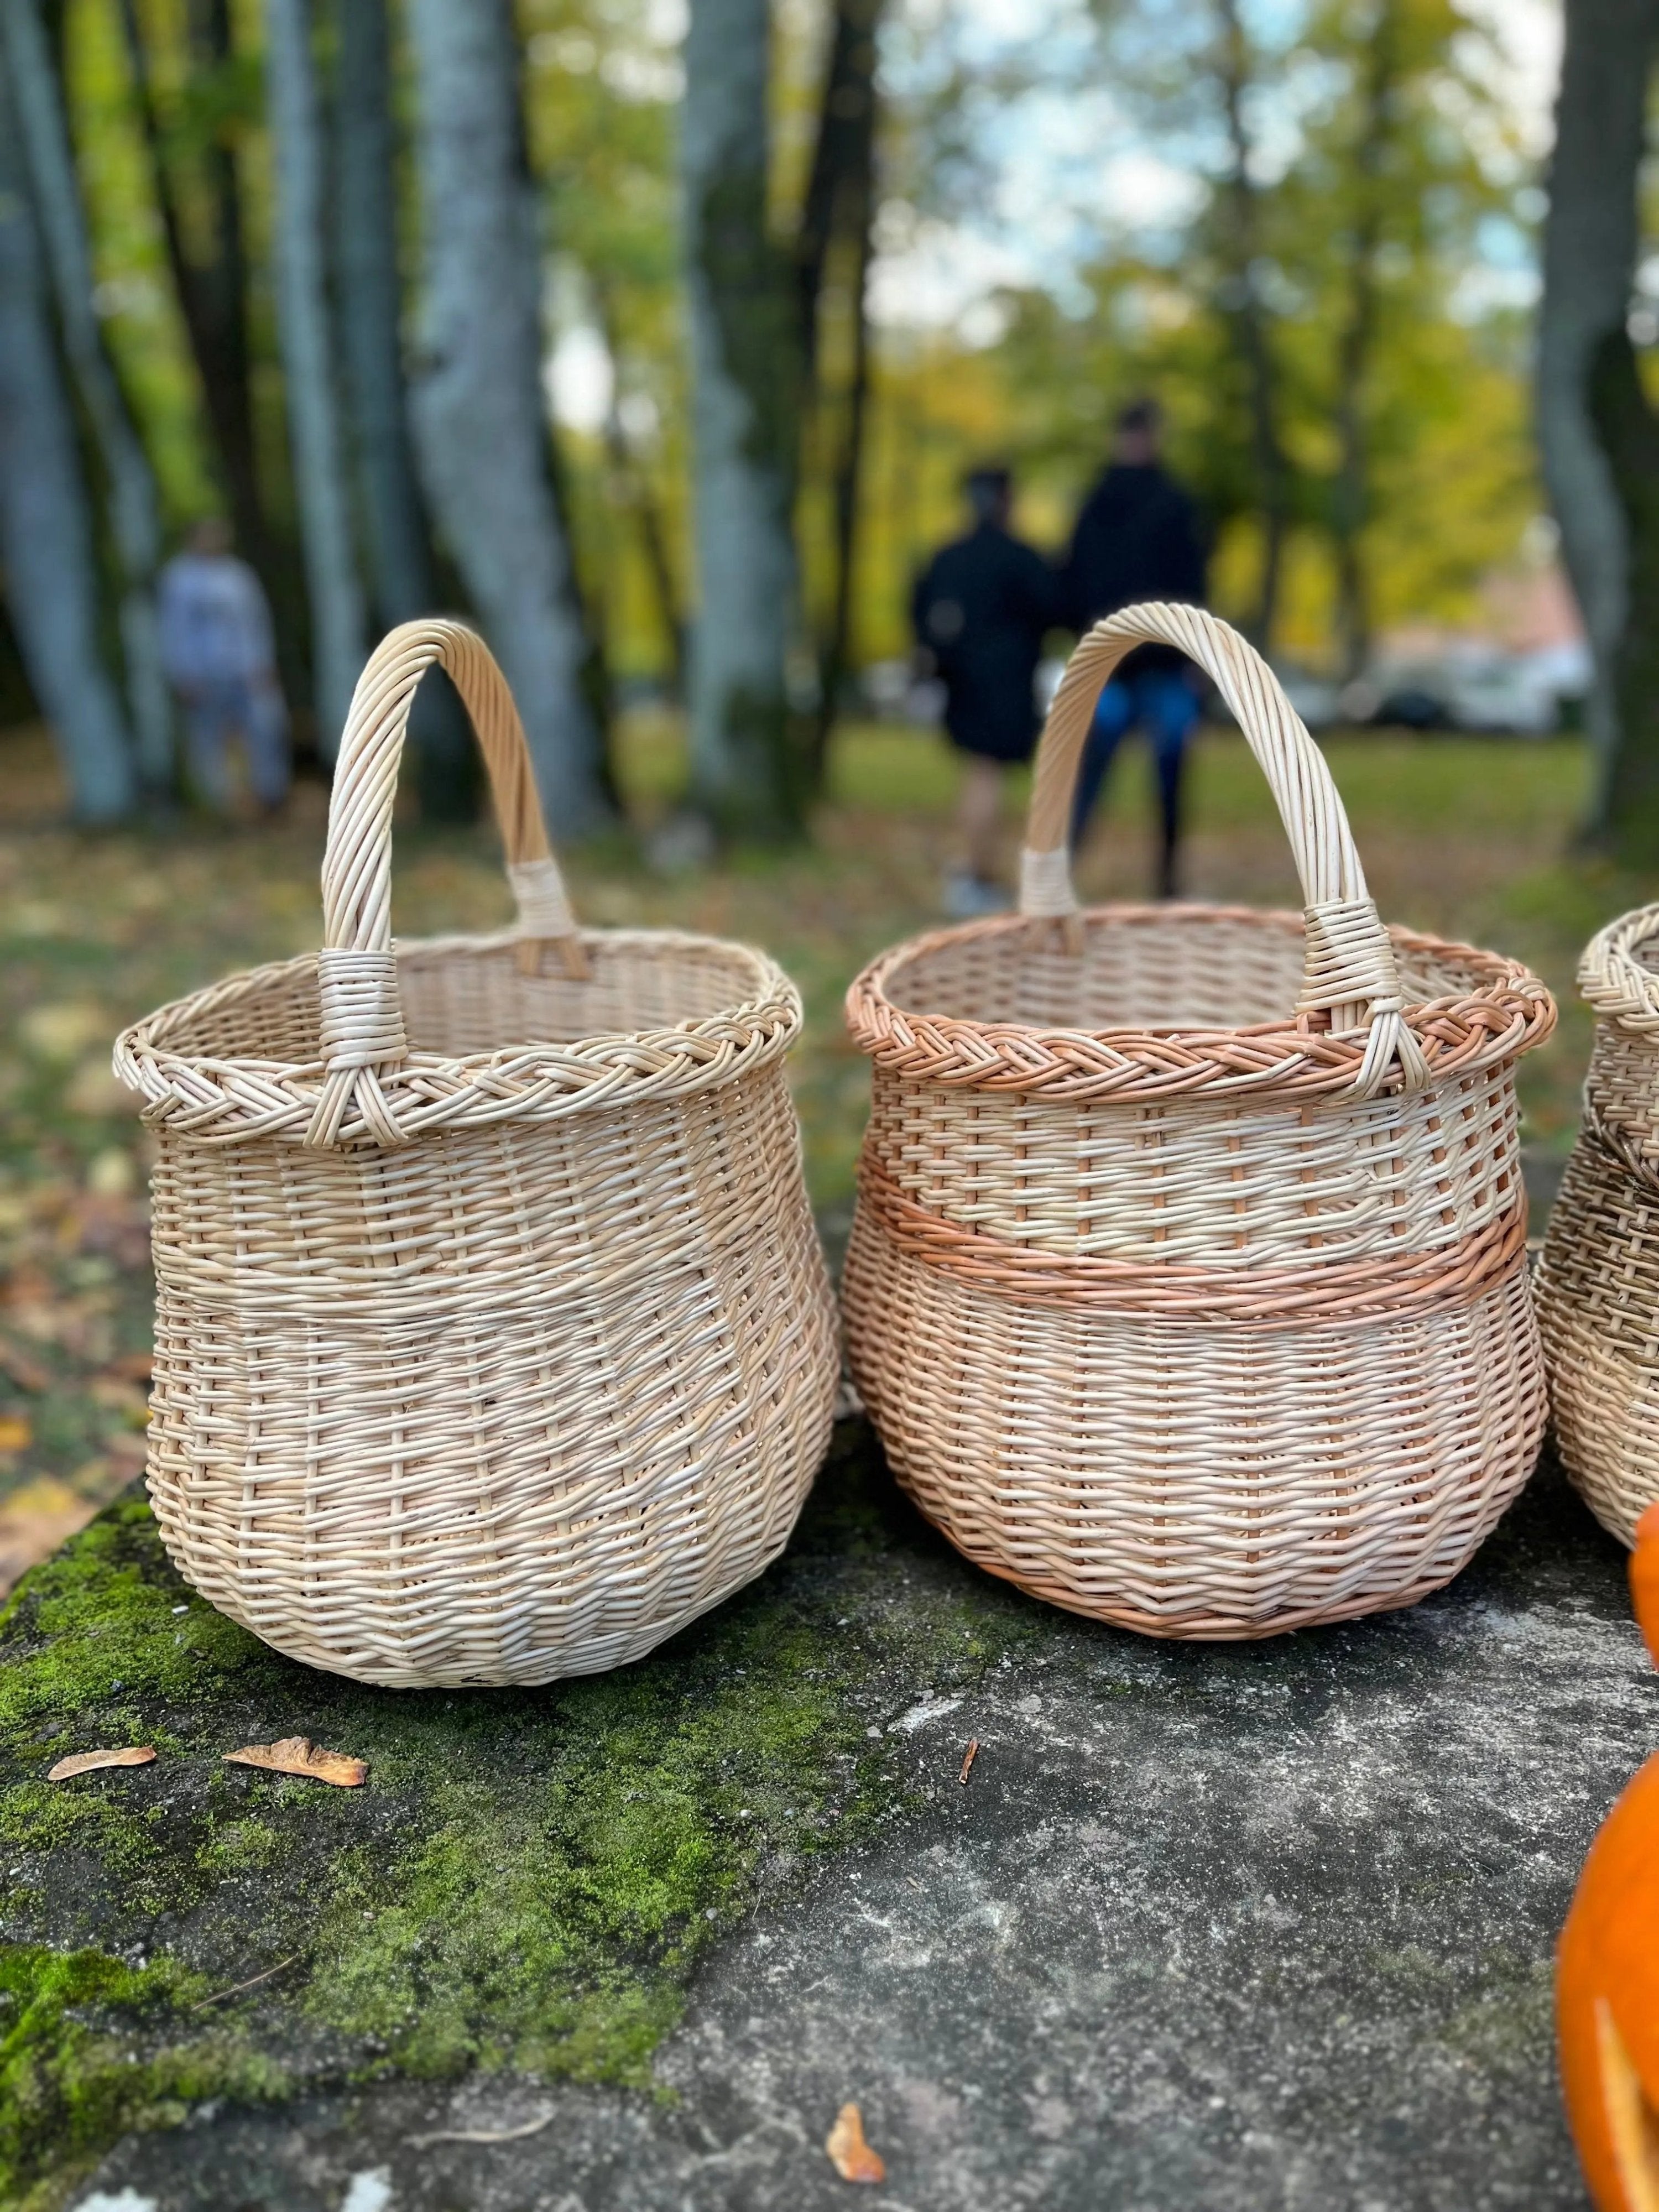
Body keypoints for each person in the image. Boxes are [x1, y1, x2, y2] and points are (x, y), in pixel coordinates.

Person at [1063, 399, 1207, 898]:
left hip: (1166, 663)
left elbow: (1193, 581)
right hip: (1111, 666)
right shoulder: (1096, 504)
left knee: (1170, 772)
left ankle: (1168, 880)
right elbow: (1075, 579)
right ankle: (1063, 870)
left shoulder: (1175, 503)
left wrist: (1194, 656)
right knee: (1091, 770)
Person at [912, 466, 1059, 917]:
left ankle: (979, 871)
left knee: (979, 774)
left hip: (963, 682)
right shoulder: (1021, 559)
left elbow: (922, 616)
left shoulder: (948, 558)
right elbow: (1054, 607)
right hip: (1004, 685)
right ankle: (976, 876)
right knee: (985, 775)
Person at [157, 517, 289, 813]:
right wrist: (182, 673)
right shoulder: (179, 578)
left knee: (265, 727)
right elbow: (173, 630)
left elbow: (256, 621)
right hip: (203, 675)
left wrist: (263, 661)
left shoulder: (238, 575)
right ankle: (217, 803)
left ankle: (271, 793)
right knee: (208, 741)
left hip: (246, 670)